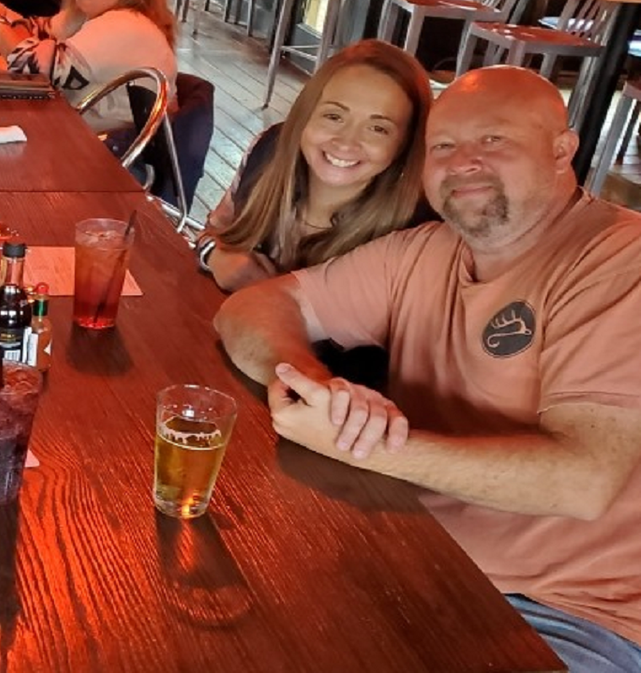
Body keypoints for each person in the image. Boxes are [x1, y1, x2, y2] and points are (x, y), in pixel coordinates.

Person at [213, 66, 641, 672]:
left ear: (561, 150)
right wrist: (317, 384)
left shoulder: (619, 259)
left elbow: (583, 480)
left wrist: (363, 444)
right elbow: (256, 305)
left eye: (493, 139)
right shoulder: (425, 250)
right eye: (443, 146)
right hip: (411, 555)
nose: (462, 162)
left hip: (569, 611)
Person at [195, 40, 433, 293]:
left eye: (378, 129)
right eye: (334, 116)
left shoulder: (413, 236)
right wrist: (216, 257)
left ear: (406, 145)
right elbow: (214, 229)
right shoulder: (268, 151)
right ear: (306, 114)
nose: (346, 141)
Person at [0, 0, 178, 133]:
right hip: (77, 136)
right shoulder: (87, 13)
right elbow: (37, 33)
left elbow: (30, 69)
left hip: (109, 158)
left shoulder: (126, 25)